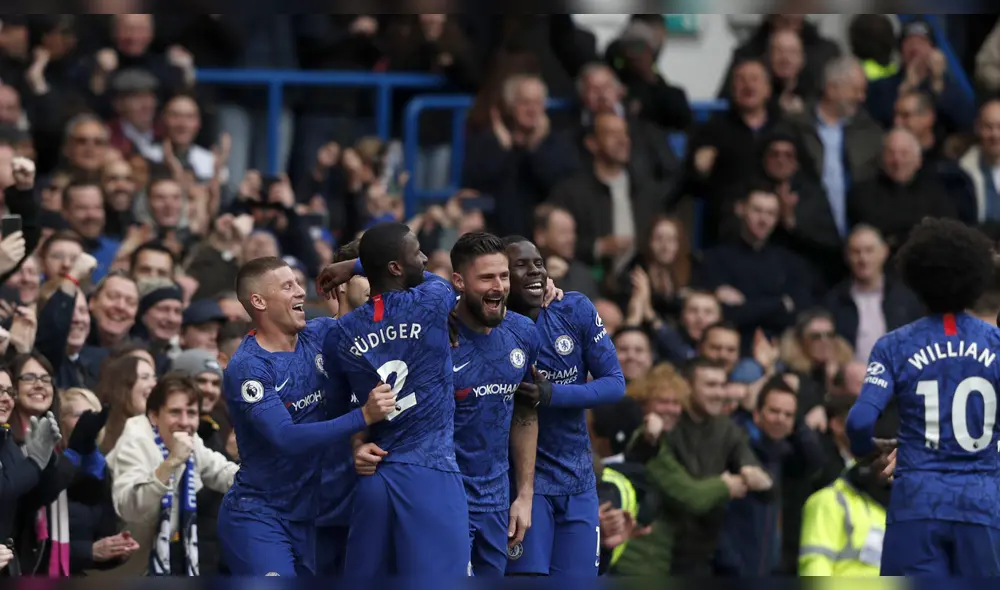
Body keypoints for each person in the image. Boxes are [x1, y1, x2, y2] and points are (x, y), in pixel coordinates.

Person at [354, 232, 541, 576]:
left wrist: (524, 495)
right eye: (486, 278)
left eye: (503, 276)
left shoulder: (524, 333)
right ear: (458, 281)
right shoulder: (430, 334)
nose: (498, 286)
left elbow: (525, 413)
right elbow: (379, 398)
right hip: (439, 501)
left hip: (497, 505)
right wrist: (357, 444)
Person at [217, 256, 397, 576]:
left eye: (298, 283)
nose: (301, 292)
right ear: (258, 301)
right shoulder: (249, 368)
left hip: (308, 516)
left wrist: (355, 266)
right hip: (258, 517)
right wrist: (364, 416)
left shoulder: (319, 335)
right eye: (288, 286)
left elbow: (383, 312)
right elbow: (286, 437)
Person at [845, 218, 1000, 576]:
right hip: (982, 505)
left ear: (914, 277)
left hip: (917, 504)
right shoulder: (995, 345)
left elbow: (859, 421)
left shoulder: (893, 346)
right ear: (975, 278)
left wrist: (867, 451)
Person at [502, 236, 626, 576]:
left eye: (539, 263)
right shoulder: (489, 323)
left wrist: (552, 394)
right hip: (524, 486)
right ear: (501, 276)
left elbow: (615, 384)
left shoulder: (574, 309)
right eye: (521, 265)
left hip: (578, 481)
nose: (535, 271)